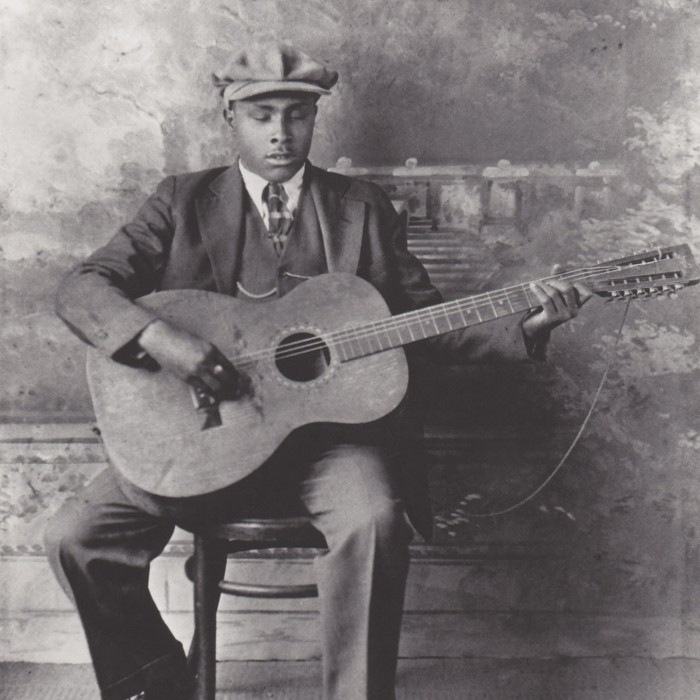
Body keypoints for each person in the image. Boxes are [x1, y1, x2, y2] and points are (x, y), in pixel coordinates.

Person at [45, 42, 591, 700]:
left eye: (297, 115)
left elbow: (425, 323)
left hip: (332, 444)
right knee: (74, 537)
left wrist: (529, 325)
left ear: (314, 118)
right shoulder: (180, 201)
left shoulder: (362, 208)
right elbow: (82, 289)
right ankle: (159, 686)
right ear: (229, 116)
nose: (281, 133)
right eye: (262, 116)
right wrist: (162, 338)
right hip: (200, 442)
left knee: (373, 521)